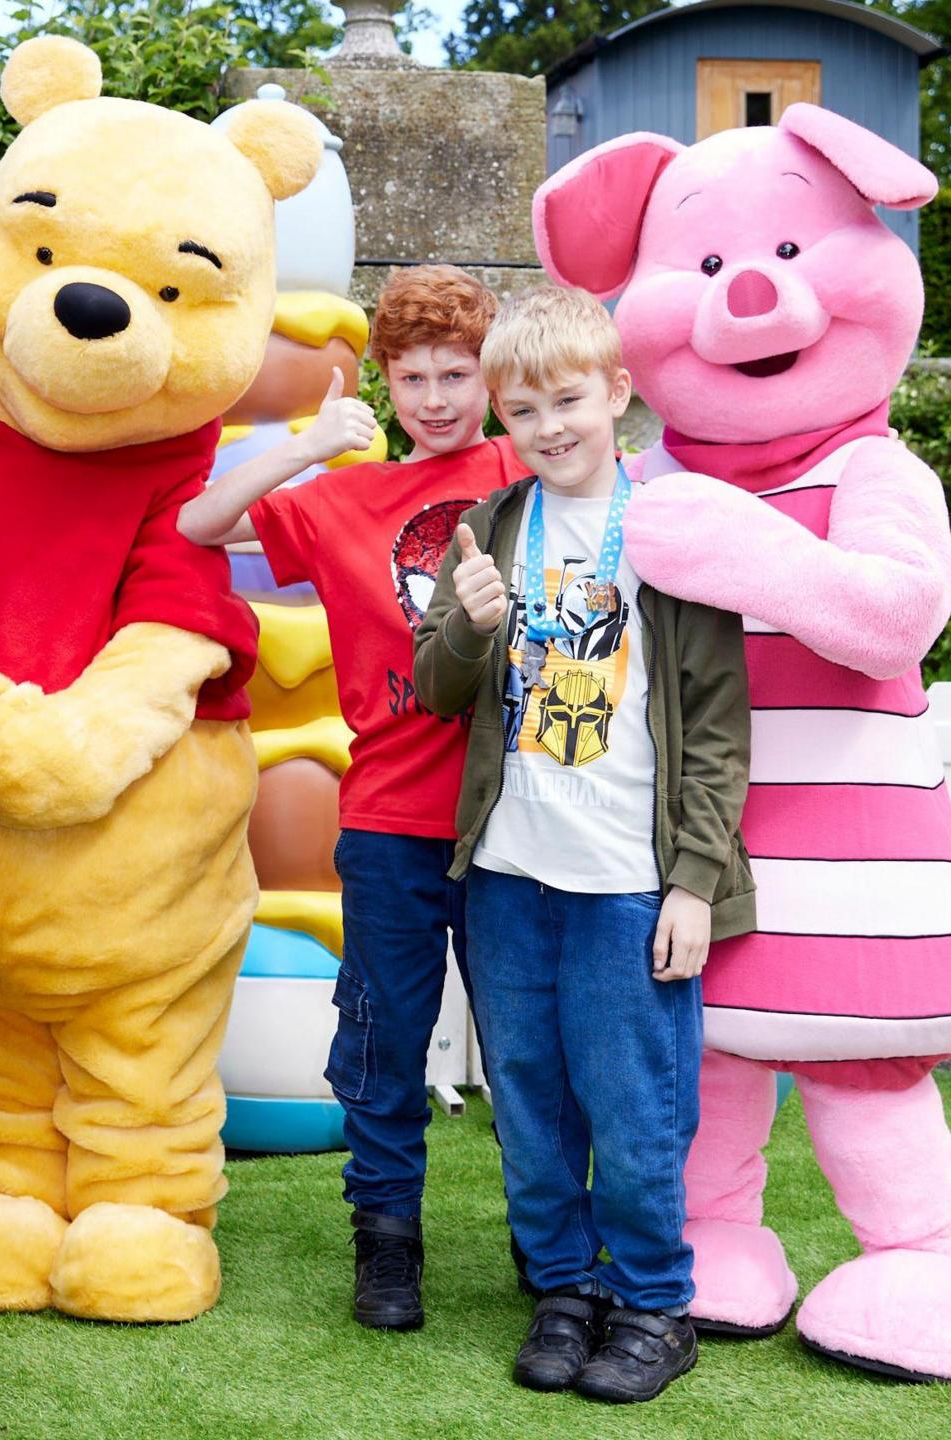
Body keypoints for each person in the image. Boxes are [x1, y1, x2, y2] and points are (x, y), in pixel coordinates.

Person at [411, 286, 756, 1405]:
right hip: (511, 873)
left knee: (636, 1100)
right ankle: (563, 1288)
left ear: (616, 394)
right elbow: (433, 691)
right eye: (522, 409)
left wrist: (693, 883)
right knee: (527, 1094)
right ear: (501, 420)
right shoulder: (492, 527)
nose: (548, 426)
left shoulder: (671, 528)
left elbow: (715, 727)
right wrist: (466, 622)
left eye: (567, 399)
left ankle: (654, 1301)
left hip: (628, 882)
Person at [178, 263, 527, 1331]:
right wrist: (304, 446)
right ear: (383, 379)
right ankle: (387, 1250)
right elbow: (202, 525)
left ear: (488, 377)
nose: (433, 397)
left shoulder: (529, 468)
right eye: (412, 375)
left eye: (455, 374)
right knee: (379, 1044)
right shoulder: (340, 499)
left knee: (528, 1046)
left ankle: (547, 1245)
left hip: (521, 816)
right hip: (386, 821)